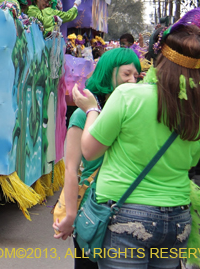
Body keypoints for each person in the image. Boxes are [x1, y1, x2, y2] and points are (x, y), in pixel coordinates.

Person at [73, 24, 200, 268]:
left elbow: (90, 151)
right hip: (177, 217)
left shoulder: (128, 95)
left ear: (158, 59)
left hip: (126, 214)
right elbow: (191, 162)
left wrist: (91, 110)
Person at [53, 48, 141, 268]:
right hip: (92, 212)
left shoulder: (135, 112)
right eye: (126, 74)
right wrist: (71, 215)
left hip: (130, 210)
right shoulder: (83, 114)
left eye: (136, 76)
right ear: (108, 74)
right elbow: (72, 169)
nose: (132, 81)